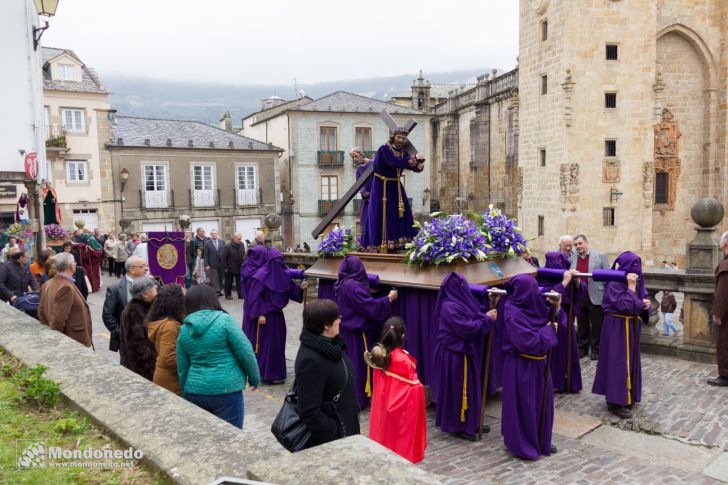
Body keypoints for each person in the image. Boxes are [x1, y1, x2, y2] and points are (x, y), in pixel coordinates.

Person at [177, 285, 260, 429]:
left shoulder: (184, 329)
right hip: (226, 390)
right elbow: (245, 352)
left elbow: (182, 367)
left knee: (206, 437)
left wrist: (186, 392)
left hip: (196, 390)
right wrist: (254, 378)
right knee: (230, 437)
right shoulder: (225, 321)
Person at [500, 274, 560, 460]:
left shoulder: (532, 305)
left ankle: (541, 438)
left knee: (541, 403)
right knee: (524, 405)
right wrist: (550, 330)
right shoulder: (511, 313)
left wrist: (556, 308)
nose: (537, 292)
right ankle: (523, 443)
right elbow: (528, 342)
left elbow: (553, 319)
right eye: (533, 289)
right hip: (521, 366)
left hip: (539, 364)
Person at [433, 272, 496, 441]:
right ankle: (460, 425)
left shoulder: (459, 302)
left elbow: (474, 312)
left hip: (464, 354)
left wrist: (487, 306)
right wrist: (487, 320)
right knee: (459, 391)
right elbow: (468, 329)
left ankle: (472, 421)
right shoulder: (449, 307)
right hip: (454, 357)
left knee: (471, 389)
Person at [592, 251, 650, 419]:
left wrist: (645, 305)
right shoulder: (614, 283)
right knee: (617, 362)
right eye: (634, 266)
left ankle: (628, 395)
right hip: (616, 328)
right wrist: (632, 290)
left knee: (630, 361)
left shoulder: (636, 280)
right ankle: (615, 401)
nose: (637, 272)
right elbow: (625, 306)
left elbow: (641, 300)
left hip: (630, 327)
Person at [295, 299, 360, 446]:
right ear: (326, 325)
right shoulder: (310, 360)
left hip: (346, 427)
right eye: (337, 317)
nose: (340, 320)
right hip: (334, 440)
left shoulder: (332, 345)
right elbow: (309, 411)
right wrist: (335, 433)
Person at [334, 255, 396, 408]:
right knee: (356, 366)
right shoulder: (352, 286)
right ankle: (356, 400)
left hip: (346, 331)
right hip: (355, 334)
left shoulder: (343, 282)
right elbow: (370, 307)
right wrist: (388, 299)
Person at [366, 316, 426, 463]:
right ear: (403, 335)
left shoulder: (380, 356)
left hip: (381, 410)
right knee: (400, 451)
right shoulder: (404, 361)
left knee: (382, 444)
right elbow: (415, 390)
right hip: (400, 417)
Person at [246, 248, 308, 383]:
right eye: (275, 260)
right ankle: (265, 374)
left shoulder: (283, 274)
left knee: (277, 345)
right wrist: (260, 314)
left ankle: (277, 374)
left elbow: (290, 290)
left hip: (278, 317)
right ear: (269, 261)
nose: (278, 263)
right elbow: (255, 297)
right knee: (265, 346)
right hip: (265, 318)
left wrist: (300, 287)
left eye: (280, 260)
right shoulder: (260, 276)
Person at [360, 126, 425, 252]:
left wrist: (419, 166)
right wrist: (414, 159)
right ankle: (379, 244)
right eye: (399, 137)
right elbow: (394, 163)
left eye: (403, 138)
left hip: (395, 186)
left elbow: (407, 165)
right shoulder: (384, 149)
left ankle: (399, 242)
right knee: (382, 213)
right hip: (381, 185)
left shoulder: (402, 152)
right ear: (393, 136)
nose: (401, 140)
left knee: (400, 212)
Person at [539, 252, 585, 393]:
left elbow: (581, 292)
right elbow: (548, 296)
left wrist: (576, 282)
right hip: (549, 321)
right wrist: (564, 283)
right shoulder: (543, 279)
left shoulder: (568, 276)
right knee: (552, 352)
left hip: (566, 321)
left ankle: (568, 381)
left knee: (567, 351)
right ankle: (551, 382)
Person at [38, 253, 93, 348]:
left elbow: (41, 312)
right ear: (71, 266)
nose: (75, 265)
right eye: (74, 263)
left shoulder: (47, 284)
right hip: (73, 341)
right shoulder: (66, 287)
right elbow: (58, 320)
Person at [570, 234, 610, 360]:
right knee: (582, 324)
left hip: (596, 294)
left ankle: (596, 349)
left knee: (597, 324)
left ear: (586, 243)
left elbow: (607, 275)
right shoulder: (572, 258)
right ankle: (582, 347)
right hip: (580, 294)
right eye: (575, 244)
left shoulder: (601, 255)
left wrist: (606, 295)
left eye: (580, 243)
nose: (578, 246)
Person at [102, 256, 148, 352]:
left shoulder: (151, 284)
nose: (146, 268)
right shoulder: (115, 288)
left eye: (146, 265)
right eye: (142, 266)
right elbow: (108, 315)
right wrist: (122, 334)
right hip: (127, 341)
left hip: (148, 338)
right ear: (131, 270)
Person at [147, 285, 186, 395]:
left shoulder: (166, 321)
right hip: (171, 382)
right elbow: (168, 358)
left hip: (167, 377)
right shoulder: (169, 326)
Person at [119, 276, 158, 380]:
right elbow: (137, 345)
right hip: (141, 368)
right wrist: (151, 362)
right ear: (145, 294)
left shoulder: (147, 305)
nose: (156, 288)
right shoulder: (133, 312)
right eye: (153, 288)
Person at [708, 231, 728, 386]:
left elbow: (723, 293)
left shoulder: (726, 265)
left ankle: (725, 375)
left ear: (724, 245)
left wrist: (717, 314)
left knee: (724, 342)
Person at [240, 244, 268, 339]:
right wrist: (260, 313)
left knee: (249, 330)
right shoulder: (254, 271)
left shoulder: (248, 264)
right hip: (255, 305)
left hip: (249, 304)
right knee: (254, 333)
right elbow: (255, 294)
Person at [351, 147, 373, 238]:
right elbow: (359, 184)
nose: (354, 159)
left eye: (355, 156)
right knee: (365, 219)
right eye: (353, 158)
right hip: (366, 199)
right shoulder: (359, 170)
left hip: (377, 196)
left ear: (361, 153)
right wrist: (364, 192)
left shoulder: (373, 163)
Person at [221, 233, 246, 299]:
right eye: (238, 239)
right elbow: (223, 257)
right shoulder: (228, 245)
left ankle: (241, 295)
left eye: (240, 239)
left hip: (239, 266)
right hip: (229, 267)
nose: (239, 240)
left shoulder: (242, 244)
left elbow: (243, 254)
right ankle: (228, 295)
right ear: (234, 238)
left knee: (240, 282)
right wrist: (225, 267)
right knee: (228, 282)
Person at [203, 229, 224, 296]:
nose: (214, 235)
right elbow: (205, 255)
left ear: (217, 234)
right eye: (212, 234)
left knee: (220, 278)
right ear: (210, 235)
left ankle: (220, 290)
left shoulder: (222, 242)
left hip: (221, 263)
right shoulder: (207, 243)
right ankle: (216, 292)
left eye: (215, 233)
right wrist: (206, 265)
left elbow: (225, 252)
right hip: (212, 264)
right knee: (214, 278)